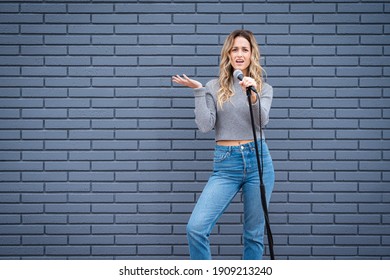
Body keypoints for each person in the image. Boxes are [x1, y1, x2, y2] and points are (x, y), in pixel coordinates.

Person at [172, 29, 274, 260]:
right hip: (226, 164)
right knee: (196, 228)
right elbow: (206, 126)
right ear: (228, 54)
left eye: (244, 49)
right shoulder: (213, 86)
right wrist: (199, 91)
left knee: (253, 235)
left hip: (258, 162)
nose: (239, 54)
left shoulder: (263, 88)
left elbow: (261, 121)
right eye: (234, 49)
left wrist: (252, 94)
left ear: (252, 54)